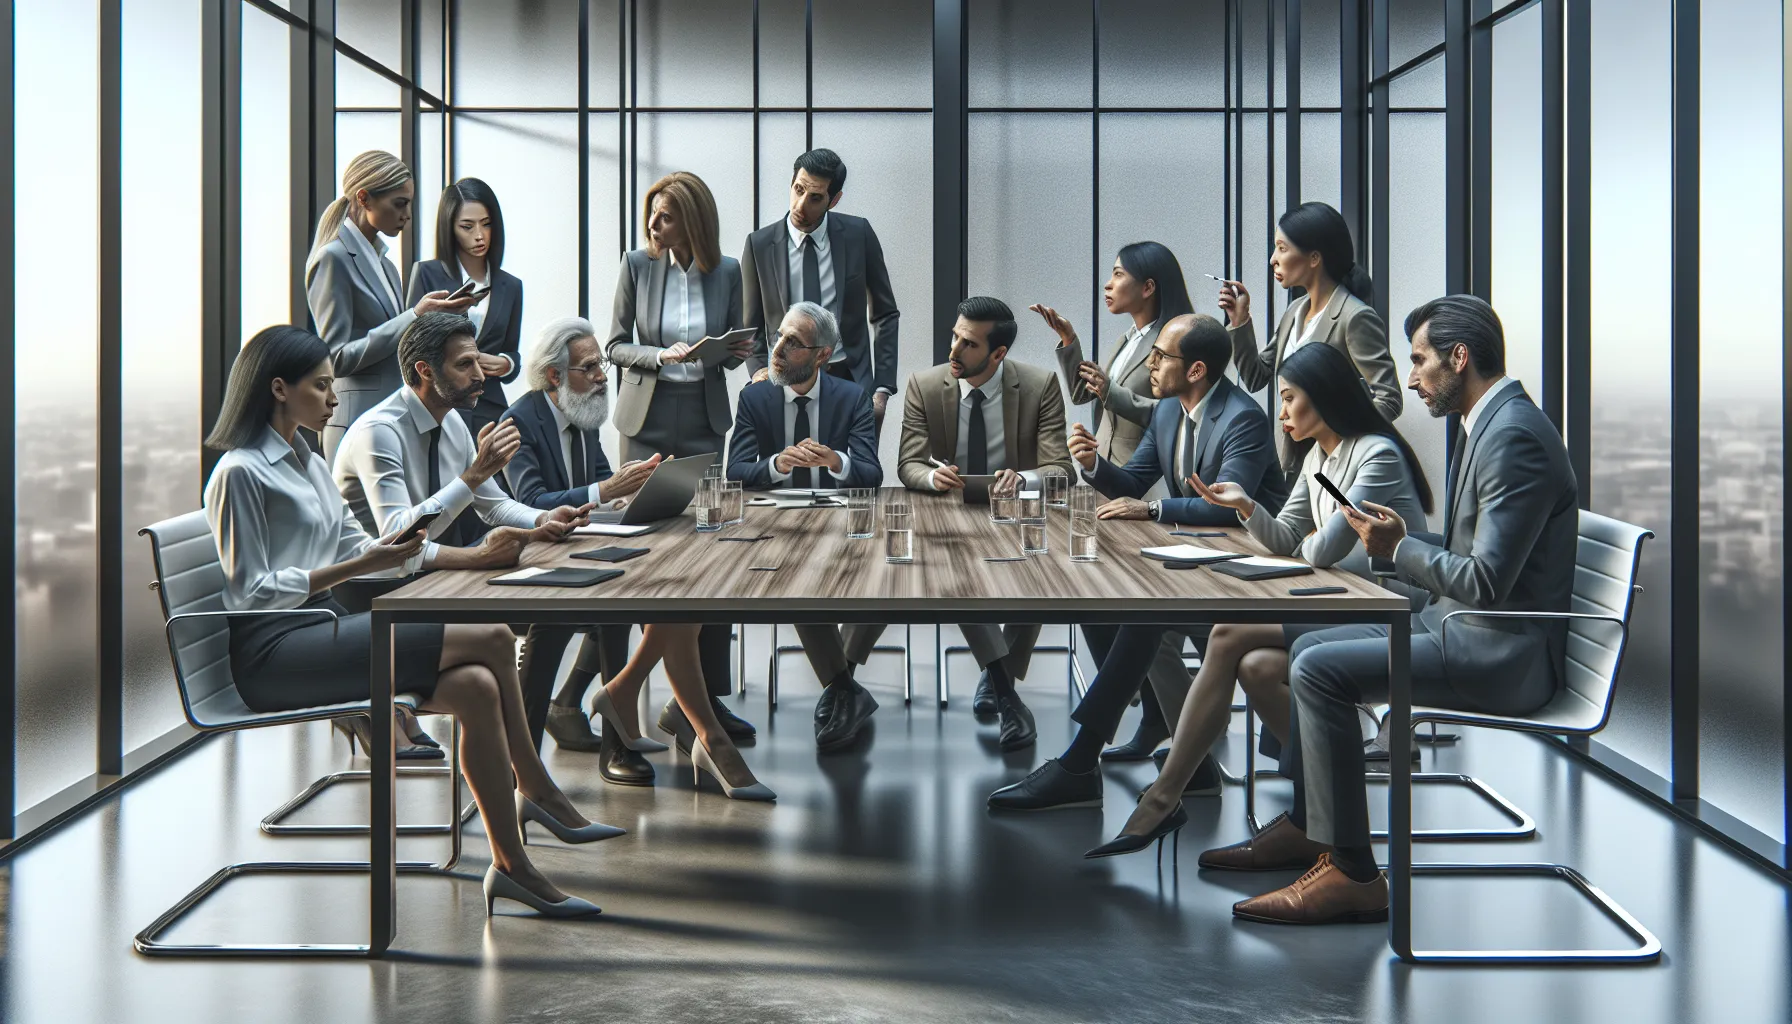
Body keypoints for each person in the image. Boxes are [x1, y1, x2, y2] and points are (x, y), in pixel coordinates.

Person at [205, 325, 615, 919]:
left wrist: (411, 549)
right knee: (493, 635)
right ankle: (537, 786)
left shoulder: (309, 462)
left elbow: (368, 544)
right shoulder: (240, 472)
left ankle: (511, 867)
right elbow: (251, 592)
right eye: (321, 386)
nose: (334, 399)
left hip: (320, 630)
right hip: (273, 655)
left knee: (475, 687)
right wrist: (361, 564)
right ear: (278, 389)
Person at [1200, 295, 1576, 926]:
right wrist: (1401, 541)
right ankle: (1311, 825)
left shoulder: (1512, 436)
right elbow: (1472, 554)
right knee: (1307, 650)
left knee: (1317, 668)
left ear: (1460, 358)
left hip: (1495, 654)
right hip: (1460, 629)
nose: (1411, 378)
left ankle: (1353, 874)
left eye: (1420, 360)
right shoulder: (1493, 423)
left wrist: (1398, 549)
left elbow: (1485, 582)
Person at [1084, 341, 1432, 858]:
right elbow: (1289, 537)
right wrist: (1247, 506)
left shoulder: (1376, 454)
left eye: (1290, 398)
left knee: (1229, 633)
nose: (1282, 411)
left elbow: (1321, 549)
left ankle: (1163, 797)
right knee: (1257, 667)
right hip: (1339, 599)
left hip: (1388, 615)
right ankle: (1316, 809)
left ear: (1324, 397)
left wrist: (1304, 540)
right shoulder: (1319, 456)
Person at [986, 313, 1288, 811]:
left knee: (1145, 616)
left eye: (1160, 356)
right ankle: (1188, 762)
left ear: (1196, 370)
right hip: (1199, 561)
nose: (1149, 363)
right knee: (1104, 604)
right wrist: (1093, 464)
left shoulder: (1242, 418)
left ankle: (1083, 762)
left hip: (1255, 572)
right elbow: (1131, 482)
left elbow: (1225, 506)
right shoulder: (1169, 411)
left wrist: (1152, 510)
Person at [886, 295, 1076, 751]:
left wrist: (1024, 478)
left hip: (1014, 516)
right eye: (955, 336)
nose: (953, 350)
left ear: (998, 353)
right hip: (946, 516)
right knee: (942, 573)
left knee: (1041, 567)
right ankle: (1005, 688)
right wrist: (932, 477)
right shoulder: (924, 385)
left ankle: (998, 677)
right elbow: (908, 464)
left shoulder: (1040, 385)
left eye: (968, 344)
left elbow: (1062, 469)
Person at [1032, 240, 1195, 761]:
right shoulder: (1131, 337)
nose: (1109, 283)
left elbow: (1171, 409)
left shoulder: (1174, 340)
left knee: (1141, 613)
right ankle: (1150, 712)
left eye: (1119, 274)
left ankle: (1179, 731)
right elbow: (1088, 395)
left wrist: (1111, 392)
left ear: (1148, 287)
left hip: (1147, 483)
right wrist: (1070, 345)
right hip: (1108, 475)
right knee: (1101, 602)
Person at [602, 171, 749, 734]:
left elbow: (736, 349)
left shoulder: (728, 271)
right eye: (652, 213)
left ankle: (704, 700)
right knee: (642, 551)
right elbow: (614, 344)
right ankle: (641, 696)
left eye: (665, 216)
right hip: (647, 417)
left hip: (705, 420)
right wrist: (659, 356)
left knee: (710, 552)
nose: (653, 224)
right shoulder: (637, 265)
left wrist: (727, 351)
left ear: (692, 221)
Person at [498, 317, 666, 783]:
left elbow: (602, 481)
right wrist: (607, 490)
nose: (601, 377)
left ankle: (606, 737)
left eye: (600, 366)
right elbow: (531, 501)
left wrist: (632, 491)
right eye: (589, 367)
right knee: (558, 617)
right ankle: (526, 763)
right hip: (523, 560)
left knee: (627, 595)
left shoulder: (583, 413)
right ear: (554, 376)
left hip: (572, 553)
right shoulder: (517, 422)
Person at [730, 303, 882, 751]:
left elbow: (872, 475)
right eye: (778, 335)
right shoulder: (754, 398)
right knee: (793, 575)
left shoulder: (852, 397)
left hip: (840, 525)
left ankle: (839, 688)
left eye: (792, 342)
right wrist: (776, 464)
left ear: (822, 356)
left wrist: (836, 461)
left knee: (887, 572)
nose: (776, 348)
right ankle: (844, 689)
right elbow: (735, 472)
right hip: (777, 528)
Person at [305, 150, 475, 460]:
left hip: (392, 418)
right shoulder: (333, 259)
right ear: (364, 198)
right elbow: (335, 359)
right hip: (353, 422)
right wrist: (414, 315)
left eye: (409, 204)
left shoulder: (387, 266)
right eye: (399, 204)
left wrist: (435, 316)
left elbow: (396, 341)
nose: (407, 214)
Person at [1221, 201, 1402, 474]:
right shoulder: (1294, 311)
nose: (1273, 259)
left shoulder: (1354, 317)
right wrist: (1240, 321)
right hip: (1294, 465)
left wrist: (1339, 441)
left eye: (1282, 248)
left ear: (1314, 258)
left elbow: (1389, 398)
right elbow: (1256, 377)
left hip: (1338, 469)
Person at [741, 148, 900, 434]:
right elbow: (750, 323)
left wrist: (882, 389)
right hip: (785, 381)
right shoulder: (759, 245)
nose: (801, 205)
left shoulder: (858, 235)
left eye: (815, 197)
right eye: (798, 190)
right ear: (792, 183)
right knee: (789, 461)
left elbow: (885, 314)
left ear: (834, 200)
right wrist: (757, 371)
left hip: (850, 380)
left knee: (853, 463)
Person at [406, 178, 524, 445]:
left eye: (486, 224)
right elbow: (410, 346)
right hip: (439, 407)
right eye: (467, 226)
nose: (479, 235)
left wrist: (507, 363)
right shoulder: (427, 274)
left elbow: (512, 350)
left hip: (489, 409)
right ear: (450, 228)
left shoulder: (511, 286)